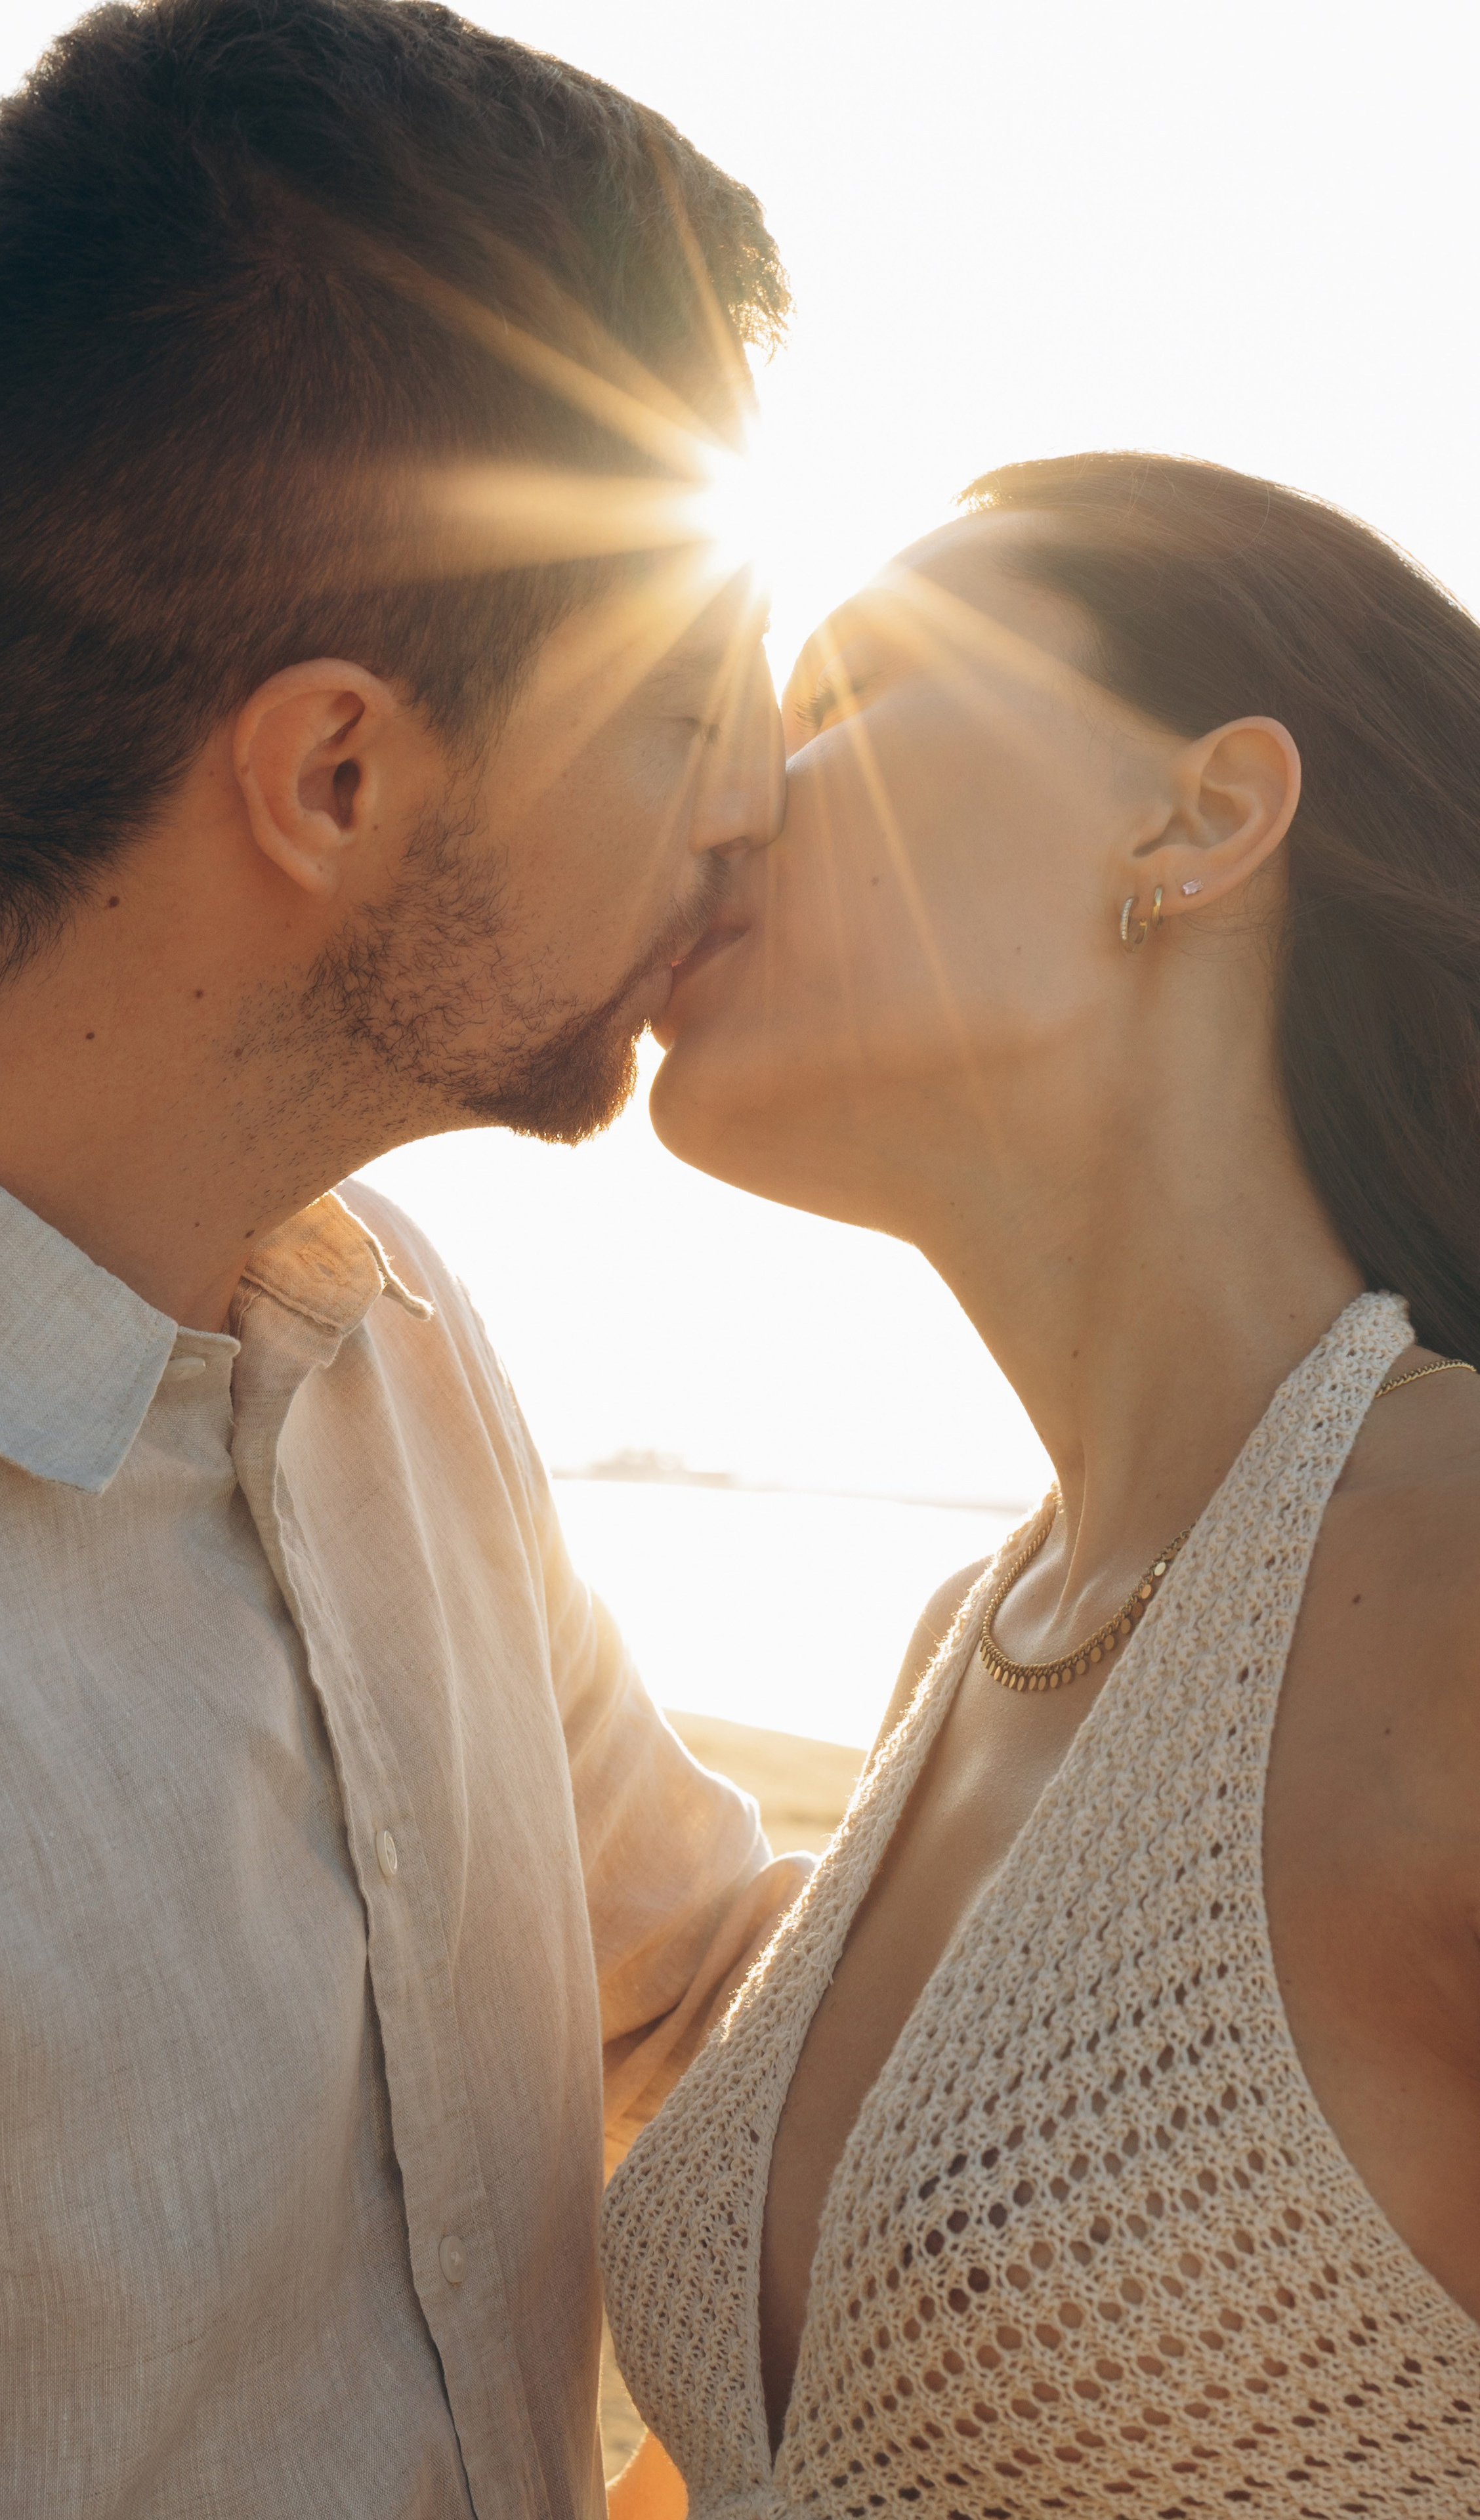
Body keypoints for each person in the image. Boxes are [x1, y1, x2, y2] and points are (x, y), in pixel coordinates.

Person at [0, 3, 812, 2511]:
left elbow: (704, 1972)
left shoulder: (394, 1339)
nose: (767, 790)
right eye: (688, 697)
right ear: (337, 774)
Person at [602, 451, 1480, 2517]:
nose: (730, 791)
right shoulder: (974, 1646)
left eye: (833, 704)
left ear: (1199, 816)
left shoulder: (1459, 1591)